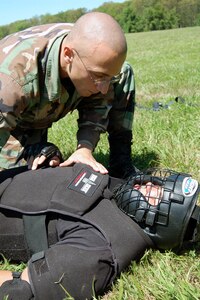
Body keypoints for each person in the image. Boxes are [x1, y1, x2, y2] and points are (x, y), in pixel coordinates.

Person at [0, 164, 199, 299]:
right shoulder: (122, 197)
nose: (148, 184)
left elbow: (19, 290)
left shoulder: (100, 249)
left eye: (156, 194)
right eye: (157, 183)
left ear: (158, 223)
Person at [0, 11, 136, 178]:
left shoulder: (91, 57)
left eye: (109, 77)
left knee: (123, 74)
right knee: (22, 178)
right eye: (98, 76)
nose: (104, 88)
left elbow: (99, 101)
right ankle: (32, 149)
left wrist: (85, 148)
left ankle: (121, 163)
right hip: (15, 117)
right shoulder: (12, 81)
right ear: (68, 55)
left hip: (34, 101)